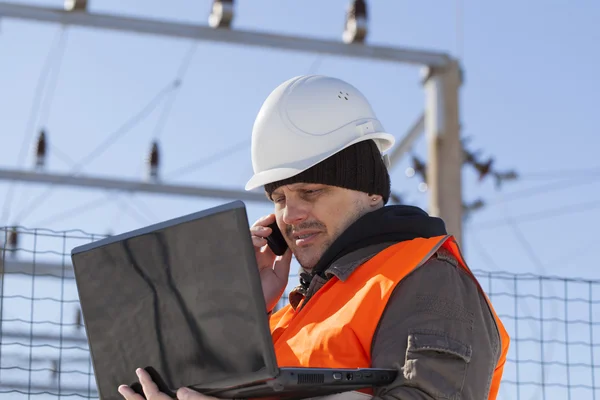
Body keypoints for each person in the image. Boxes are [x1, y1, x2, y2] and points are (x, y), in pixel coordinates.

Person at [118, 75, 510, 400]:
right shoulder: (285, 317)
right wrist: (244, 311)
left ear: (372, 192)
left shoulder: (424, 278)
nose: (289, 214)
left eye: (311, 192)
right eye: (279, 198)